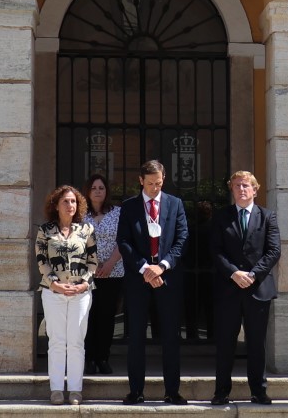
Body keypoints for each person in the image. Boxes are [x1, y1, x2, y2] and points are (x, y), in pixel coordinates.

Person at [116, 160, 189, 405]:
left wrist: (163, 266)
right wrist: (146, 268)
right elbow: (124, 242)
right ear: (140, 181)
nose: (154, 188)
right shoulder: (129, 207)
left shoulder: (175, 204)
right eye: (150, 184)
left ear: (163, 179)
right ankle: (136, 391)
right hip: (139, 280)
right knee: (136, 336)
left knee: (170, 336)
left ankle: (172, 391)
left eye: (158, 183)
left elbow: (182, 239)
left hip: (167, 278)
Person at [210, 171, 281, 406]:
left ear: (255, 190)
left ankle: (258, 391)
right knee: (225, 342)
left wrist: (253, 274)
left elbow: (273, 251)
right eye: (237, 185)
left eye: (246, 185)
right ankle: (221, 391)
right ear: (232, 189)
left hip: (257, 288)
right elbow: (215, 250)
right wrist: (234, 273)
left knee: (256, 343)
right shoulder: (221, 216)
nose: (242, 189)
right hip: (228, 289)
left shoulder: (267, 216)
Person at [36, 185, 97, 405]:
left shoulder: (86, 230)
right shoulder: (45, 231)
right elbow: (41, 261)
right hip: (53, 293)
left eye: (73, 201)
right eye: (65, 201)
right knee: (57, 341)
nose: (70, 205)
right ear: (56, 204)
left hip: (81, 293)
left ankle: (75, 390)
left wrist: (83, 284)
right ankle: (56, 389)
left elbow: (93, 261)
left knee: (76, 342)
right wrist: (56, 285)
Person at [82, 174, 123, 375]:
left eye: (101, 188)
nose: (98, 191)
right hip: (87, 274)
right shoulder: (80, 215)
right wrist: (94, 264)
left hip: (113, 272)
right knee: (88, 316)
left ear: (106, 191)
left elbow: (124, 241)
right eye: (94, 188)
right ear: (88, 192)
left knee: (107, 317)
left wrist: (109, 263)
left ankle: (103, 358)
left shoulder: (118, 213)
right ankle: (88, 358)